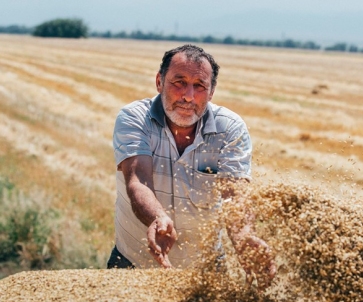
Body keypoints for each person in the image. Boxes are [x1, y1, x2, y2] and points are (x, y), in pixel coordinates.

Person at [108, 44, 276, 286]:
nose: (188, 95)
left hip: (205, 269)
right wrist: (158, 218)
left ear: (211, 92)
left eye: (199, 86)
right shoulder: (135, 118)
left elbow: (234, 195)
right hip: (132, 261)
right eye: (179, 82)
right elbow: (138, 180)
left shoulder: (230, 129)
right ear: (159, 82)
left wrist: (243, 237)